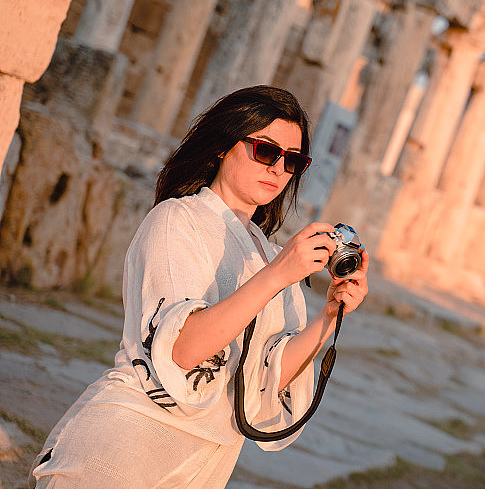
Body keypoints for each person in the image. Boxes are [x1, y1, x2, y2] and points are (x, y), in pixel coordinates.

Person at [28, 85, 369, 488]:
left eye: (293, 160)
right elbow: (183, 349)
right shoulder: (176, 220)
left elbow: (264, 382)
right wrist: (277, 275)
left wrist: (329, 316)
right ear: (223, 146)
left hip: (208, 463)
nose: (278, 168)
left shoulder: (269, 253)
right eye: (266, 150)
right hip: (127, 445)